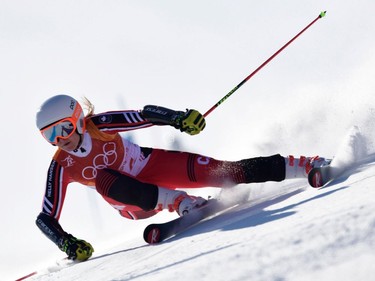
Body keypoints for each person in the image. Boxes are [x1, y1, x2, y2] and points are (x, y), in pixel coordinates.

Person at [35, 94, 329, 261]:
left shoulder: (99, 124)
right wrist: (67, 244)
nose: (59, 140)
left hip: (152, 164)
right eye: (49, 136)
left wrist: (178, 118)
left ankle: (303, 164)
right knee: (104, 180)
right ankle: (179, 202)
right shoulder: (62, 165)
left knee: (226, 172)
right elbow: (45, 217)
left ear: (76, 119)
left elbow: (142, 115)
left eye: (61, 129)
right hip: (133, 202)